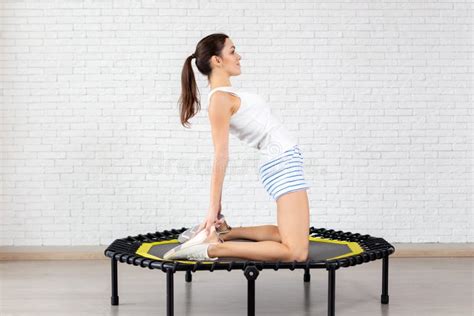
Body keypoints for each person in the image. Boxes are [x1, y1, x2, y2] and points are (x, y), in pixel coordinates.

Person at [166, 33, 311, 262]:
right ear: (217, 60)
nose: (239, 56)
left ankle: (226, 233)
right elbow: (221, 155)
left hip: (283, 159)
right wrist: (213, 209)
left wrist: (217, 213)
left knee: (284, 235)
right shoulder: (219, 100)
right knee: (296, 251)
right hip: (281, 161)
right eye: (232, 51)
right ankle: (212, 249)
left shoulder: (229, 94)